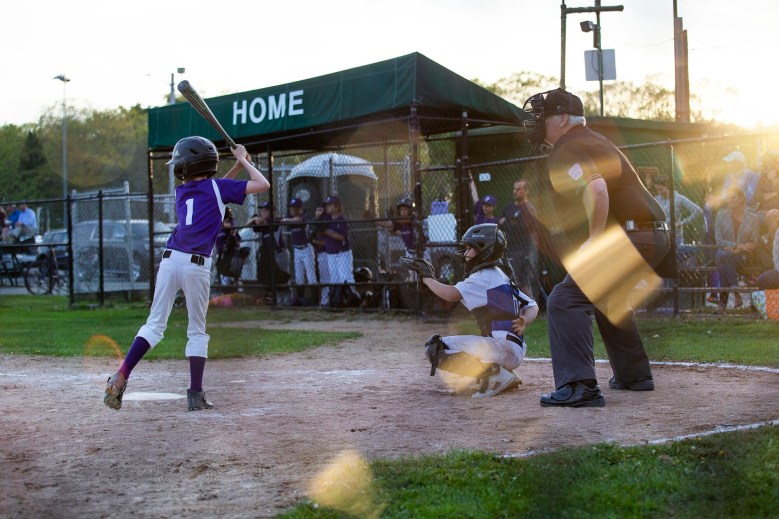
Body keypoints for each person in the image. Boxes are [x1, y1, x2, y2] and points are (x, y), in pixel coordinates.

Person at [522, 88, 673, 407]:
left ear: (563, 119)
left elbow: (597, 188)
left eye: (544, 116)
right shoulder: (594, 140)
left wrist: (594, 238)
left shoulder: (566, 147)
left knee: (564, 300)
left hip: (632, 236)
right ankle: (634, 374)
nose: (538, 122)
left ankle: (580, 386)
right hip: (654, 235)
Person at [103, 136, 270, 412]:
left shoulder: (183, 191)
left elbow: (217, 192)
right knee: (196, 331)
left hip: (170, 261)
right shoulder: (217, 188)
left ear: (189, 166)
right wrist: (242, 159)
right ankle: (195, 394)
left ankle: (121, 374)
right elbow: (262, 184)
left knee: (154, 325)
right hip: (196, 266)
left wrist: (238, 167)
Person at [399, 223, 538, 397]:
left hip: (501, 348)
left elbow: (450, 294)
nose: (465, 253)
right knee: (450, 345)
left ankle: (496, 375)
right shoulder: (499, 275)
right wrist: (525, 320)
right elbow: (532, 305)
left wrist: (427, 278)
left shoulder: (483, 277)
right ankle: (502, 373)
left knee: (435, 348)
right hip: (513, 349)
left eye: (469, 248)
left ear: (483, 249)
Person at [714, 186, 761, 313]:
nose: (730, 200)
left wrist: (739, 250)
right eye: (728, 198)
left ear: (741, 199)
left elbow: (754, 243)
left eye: (733, 198)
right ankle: (735, 291)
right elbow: (719, 241)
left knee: (721, 257)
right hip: (728, 254)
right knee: (724, 256)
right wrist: (738, 246)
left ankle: (724, 304)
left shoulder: (753, 218)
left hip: (744, 257)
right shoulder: (721, 216)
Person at [499, 178, 539, 297]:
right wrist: (512, 223)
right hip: (509, 250)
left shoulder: (529, 209)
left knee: (523, 284)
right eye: (514, 189)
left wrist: (507, 223)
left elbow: (522, 228)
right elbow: (499, 224)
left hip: (525, 251)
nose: (515, 191)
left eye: (518, 189)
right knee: (511, 282)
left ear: (526, 191)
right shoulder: (508, 207)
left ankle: (531, 305)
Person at [321, 195, 360, 307]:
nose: (327, 207)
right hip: (331, 254)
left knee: (346, 278)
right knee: (334, 279)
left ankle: (353, 302)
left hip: (343, 254)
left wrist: (327, 232)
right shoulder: (326, 219)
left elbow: (341, 237)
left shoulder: (342, 220)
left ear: (337, 207)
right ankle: (338, 303)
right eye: (327, 205)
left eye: (330, 205)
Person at [280, 197, 317, 304]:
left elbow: (299, 220)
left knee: (311, 277)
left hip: (307, 249)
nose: (292, 210)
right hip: (296, 250)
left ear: (300, 208)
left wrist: (286, 220)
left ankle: (315, 302)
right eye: (291, 208)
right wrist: (285, 220)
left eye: (295, 208)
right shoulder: (290, 217)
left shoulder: (305, 217)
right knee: (299, 278)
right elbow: (282, 220)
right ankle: (300, 301)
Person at [654, 175, 704, 247]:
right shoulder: (657, 199)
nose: (659, 192)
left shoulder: (679, 199)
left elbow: (698, 211)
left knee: (677, 253)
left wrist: (682, 223)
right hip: (660, 236)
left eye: (661, 189)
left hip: (675, 237)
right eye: (657, 190)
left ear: (668, 186)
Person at [310, 203, 330, 306]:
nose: (318, 212)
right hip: (321, 254)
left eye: (320, 210)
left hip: (328, 253)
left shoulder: (326, 223)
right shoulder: (314, 223)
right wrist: (313, 240)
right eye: (317, 210)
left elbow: (328, 242)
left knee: (328, 278)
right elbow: (312, 239)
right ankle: (325, 301)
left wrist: (315, 241)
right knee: (324, 278)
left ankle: (326, 301)